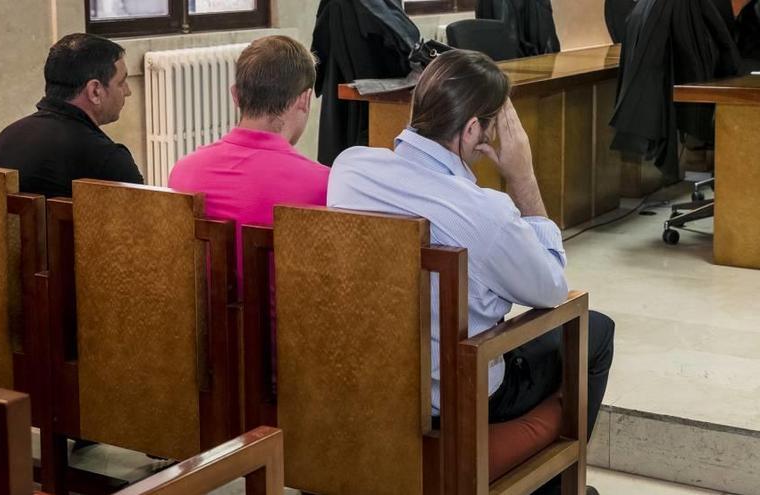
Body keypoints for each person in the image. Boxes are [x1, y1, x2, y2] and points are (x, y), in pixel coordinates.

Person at [327, 49, 614, 495]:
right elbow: (552, 287)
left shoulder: (349, 170)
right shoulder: (487, 214)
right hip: (457, 397)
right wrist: (523, 178)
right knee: (596, 330)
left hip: (371, 378)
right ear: (473, 129)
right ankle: (556, 488)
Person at [168, 35, 329, 291]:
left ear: (235, 95)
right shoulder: (323, 184)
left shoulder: (183, 171)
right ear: (305, 99)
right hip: (283, 329)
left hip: (204, 328)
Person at [0, 33, 143, 198]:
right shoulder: (106, 159)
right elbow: (144, 219)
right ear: (95, 91)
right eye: (121, 82)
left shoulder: (9, 137)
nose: (128, 91)